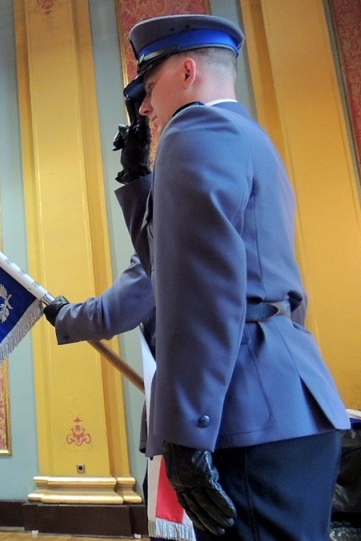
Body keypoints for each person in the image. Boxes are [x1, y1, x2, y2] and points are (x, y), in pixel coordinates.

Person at [123, 14, 349, 540]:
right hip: (294, 405)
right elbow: (179, 265)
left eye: (149, 89)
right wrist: (139, 183)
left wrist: (186, 431)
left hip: (243, 412)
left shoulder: (189, 132)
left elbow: (199, 296)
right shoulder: (251, 137)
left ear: (185, 72)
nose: (147, 108)